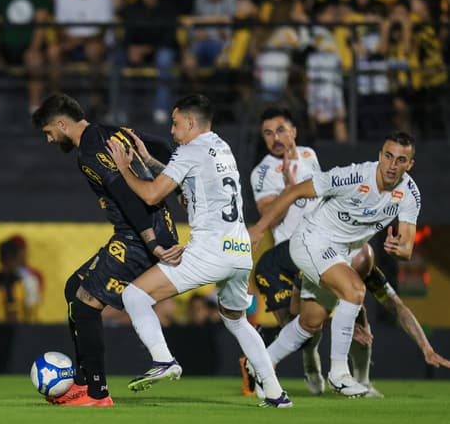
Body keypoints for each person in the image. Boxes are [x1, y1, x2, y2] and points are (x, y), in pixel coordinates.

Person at [105, 94, 291, 407]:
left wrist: (125, 169)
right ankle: (275, 392)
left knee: (134, 296)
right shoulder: (221, 147)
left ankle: (164, 360)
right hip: (239, 250)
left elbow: (152, 196)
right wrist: (150, 162)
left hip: (211, 250)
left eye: (176, 125)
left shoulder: (190, 150)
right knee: (236, 320)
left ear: (191, 123)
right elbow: (188, 192)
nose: (173, 132)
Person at [247, 131, 423, 396]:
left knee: (310, 322)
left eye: (401, 160)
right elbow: (296, 190)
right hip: (310, 239)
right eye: (388, 156)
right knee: (354, 290)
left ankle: (259, 365)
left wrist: (398, 249)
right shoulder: (353, 176)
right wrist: (260, 228)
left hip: (337, 254)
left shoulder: (410, 194)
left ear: (410, 164)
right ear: (380, 155)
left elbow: (407, 247)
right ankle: (339, 374)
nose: (392, 164)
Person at [32, 93, 181, 407]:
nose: (49, 139)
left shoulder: (89, 153)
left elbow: (126, 197)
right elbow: (164, 148)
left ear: (62, 123)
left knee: (85, 306)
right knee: (75, 287)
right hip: (143, 229)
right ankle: (84, 381)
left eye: (48, 132)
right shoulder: (114, 132)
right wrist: (177, 185)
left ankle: (97, 393)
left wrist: (152, 242)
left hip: (138, 236)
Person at [247, 107, 323, 393]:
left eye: (280, 130)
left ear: (294, 132)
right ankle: (305, 361)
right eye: (268, 133)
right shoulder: (263, 172)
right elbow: (269, 216)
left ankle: (319, 363)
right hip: (289, 252)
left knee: (309, 318)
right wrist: (290, 190)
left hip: (320, 243)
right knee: (291, 321)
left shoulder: (309, 156)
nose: (274, 138)